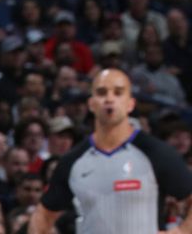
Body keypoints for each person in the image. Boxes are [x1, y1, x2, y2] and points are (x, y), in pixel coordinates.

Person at [28, 69, 192, 233]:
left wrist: (181, 231)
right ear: (91, 104)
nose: (109, 99)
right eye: (101, 92)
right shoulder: (73, 161)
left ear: (130, 103)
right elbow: (43, 215)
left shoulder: (156, 153)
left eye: (118, 93)